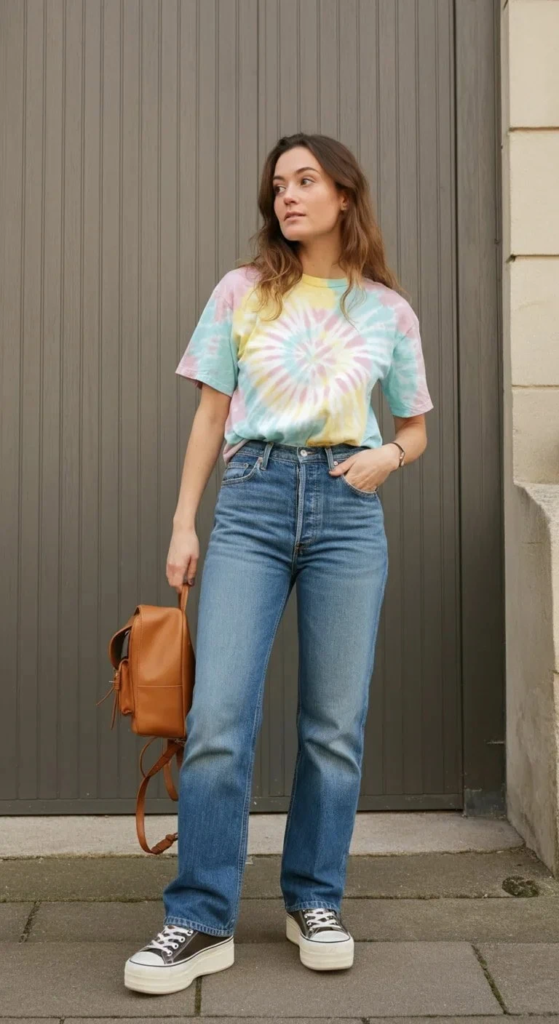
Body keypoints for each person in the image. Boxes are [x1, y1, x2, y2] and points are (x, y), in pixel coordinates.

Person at [124, 132, 434, 995]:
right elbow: (208, 418)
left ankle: (313, 898)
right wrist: (185, 524)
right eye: (278, 184)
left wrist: (390, 458)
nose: (287, 196)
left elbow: (413, 427)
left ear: (343, 194)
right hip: (252, 502)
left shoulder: (387, 311)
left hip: (347, 512)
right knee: (219, 718)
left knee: (334, 724)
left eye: (305, 180)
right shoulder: (241, 292)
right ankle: (199, 915)